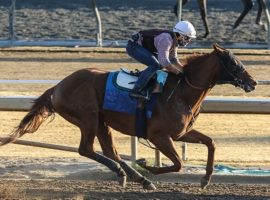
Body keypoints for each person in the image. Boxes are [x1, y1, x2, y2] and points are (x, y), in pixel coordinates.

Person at [126, 20, 196, 100]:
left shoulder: (174, 41)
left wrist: (184, 70)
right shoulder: (166, 39)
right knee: (156, 64)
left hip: (139, 46)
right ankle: (136, 90)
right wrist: (178, 73)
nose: (189, 41)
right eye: (187, 38)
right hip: (133, 47)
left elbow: (173, 60)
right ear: (180, 35)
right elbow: (165, 62)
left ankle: (143, 76)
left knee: (158, 64)